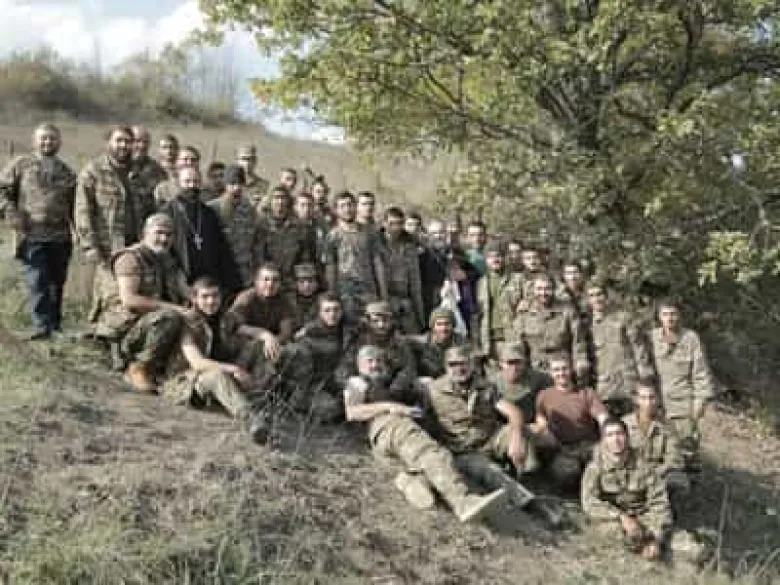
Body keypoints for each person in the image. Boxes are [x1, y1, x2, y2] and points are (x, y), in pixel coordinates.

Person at [344, 345, 506, 521]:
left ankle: (411, 482)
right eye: (370, 361)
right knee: (431, 453)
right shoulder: (357, 383)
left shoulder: (391, 382)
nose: (375, 365)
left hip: (391, 438)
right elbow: (352, 412)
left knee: (429, 462)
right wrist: (391, 407)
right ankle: (463, 502)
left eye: (379, 361)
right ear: (359, 365)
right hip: (390, 425)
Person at [422, 346, 539, 509]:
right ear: (445, 366)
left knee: (520, 432)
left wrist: (516, 439)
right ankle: (524, 501)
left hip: (490, 438)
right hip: (464, 449)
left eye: (463, 363)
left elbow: (514, 412)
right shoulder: (432, 390)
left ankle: (531, 480)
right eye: (453, 364)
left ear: (472, 364)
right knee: (489, 471)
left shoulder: (486, 386)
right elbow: (422, 418)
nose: (459, 368)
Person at [161, 277, 271, 444]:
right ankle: (250, 418)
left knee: (257, 345)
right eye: (205, 297)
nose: (211, 301)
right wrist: (233, 369)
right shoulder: (188, 322)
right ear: (195, 299)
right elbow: (197, 362)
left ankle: (258, 397)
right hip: (186, 381)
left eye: (215, 296)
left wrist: (267, 336)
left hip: (220, 375)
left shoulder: (225, 318)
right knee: (216, 374)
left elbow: (248, 330)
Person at [94, 213, 188, 392]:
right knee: (169, 316)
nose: (164, 239)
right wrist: (178, 309)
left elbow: (184, 289)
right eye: (159, 233)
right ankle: (138, 367)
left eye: (169, 235)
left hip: (148, 323)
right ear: (145, 233)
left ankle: (171, 369)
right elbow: (129, 300)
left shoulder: (167, 259)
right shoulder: (130, 258)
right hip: (124, 327)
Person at [0, 123, 77, 339]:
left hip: (61, 237)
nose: (48, 142)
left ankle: (55, 326)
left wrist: (80, 232)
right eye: (43, 138)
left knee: (56, 283)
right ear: (35, 141)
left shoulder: (67, 172)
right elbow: (2, 190)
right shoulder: (21, 164)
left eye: (52, 138)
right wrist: (10, 212)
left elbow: (76, 205)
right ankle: (41, 327)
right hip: (31, 235)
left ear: (59, 142)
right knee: (37, 280)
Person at [76, 125, 155, 328]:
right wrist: (89, 246)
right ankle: (98, 331)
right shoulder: (93, 171)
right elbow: (83, 212)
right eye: (119, 140)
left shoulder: (139, 174)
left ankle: (129, 333)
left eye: (128, 141)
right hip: (106, 246)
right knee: (108, 294)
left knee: (134, 292)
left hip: (136, 245)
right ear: (108, 142)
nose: (123, 145)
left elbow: (150, 209)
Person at [581, 418, 672, 560]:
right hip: (614, 521)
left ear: (627, 437)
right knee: (613, 533)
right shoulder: (595, 467)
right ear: (603, 440)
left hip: (644, 517)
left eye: (619, 434)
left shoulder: (644, 465)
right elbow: (589, 502)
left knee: (689, 547)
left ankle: (649, 546)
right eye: (610, 435)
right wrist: (621, 517)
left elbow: (660, 503)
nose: (616, 440)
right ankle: (636, 548)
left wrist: (656, 537)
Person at [650, 298, 714, 472]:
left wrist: (700, 401)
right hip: (656, 403)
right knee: (657, 448)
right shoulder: (652, 338)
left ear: (679, 316)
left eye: (673, 314)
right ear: (659, 317)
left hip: (682, 404)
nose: (669, 318)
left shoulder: (690, 338)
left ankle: (689, 483)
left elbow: (700, 372)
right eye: (665, 314)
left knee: (686, 449)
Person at [160, 167, 242, 295]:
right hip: (180, 281)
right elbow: (163, 250)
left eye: (196, 181)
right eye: (187, 181)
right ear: (178, 183)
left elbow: (221, 249)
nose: (192, 185)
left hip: (208, 282)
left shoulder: (208, 213)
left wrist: (233, 284)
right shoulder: (167, 212)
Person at [532, 353, 608, 488]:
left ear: (571, 369)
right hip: (562, 449)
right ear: (550, 373)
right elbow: (540, 417)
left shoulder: (586, 393)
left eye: (564, 368)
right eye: (556, 370)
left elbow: (603, 418)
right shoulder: (544, 396)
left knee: (605, 467)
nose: (561, 373)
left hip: (588, 445)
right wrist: (544, 431)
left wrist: (605, 442)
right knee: (565, 473)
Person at [324, 191, 388, 322]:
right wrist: (332, 295)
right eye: (342, 206)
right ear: (336, 210)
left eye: (350, 204)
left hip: (368, 291)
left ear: (355, 206)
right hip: (345, 294)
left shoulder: (370, 233)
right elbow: (330, 267)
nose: (347, 209)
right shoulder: (332, 236)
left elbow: (377, 263)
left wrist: (383, 294)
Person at [512, 273, 589, 379]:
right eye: (539, 289)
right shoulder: (524, 313)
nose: (543, 293)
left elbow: (578, 340)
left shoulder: (567, 311)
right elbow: (518, 344)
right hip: (535, 368)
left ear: (554, 289)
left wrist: (580, 362)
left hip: (562, 367)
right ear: (533, 290)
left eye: (547, 289)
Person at [623, 379, 689, 500]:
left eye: (651, 397)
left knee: (679, 481)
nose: (648, 403)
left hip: (659, 473)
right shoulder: (624, 424)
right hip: (631, 473)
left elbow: (675, 459)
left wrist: (655, 473)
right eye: (643, 398)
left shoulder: (667, 426)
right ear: (636, 399)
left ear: (658, 399)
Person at [586, 278, 644, 416]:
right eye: (592, 295)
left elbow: (639, 348)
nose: (596, 299)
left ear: (606, 296)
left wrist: (643, 378)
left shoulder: (624, 319)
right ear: (588, 300)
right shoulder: (586, 326)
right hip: (604, 388)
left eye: (599, 294)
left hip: (628, 384)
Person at [208, 165, 263, 288]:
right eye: (232, 184)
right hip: (221, 272)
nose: (236, 188)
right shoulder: (212, 209)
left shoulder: (250, 210)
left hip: (245, 274)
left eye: (240, 184)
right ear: (225, 185)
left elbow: (256, 244)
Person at [475, 241, 523, 366]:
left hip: (512, 338)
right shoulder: (481, 283)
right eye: (490, 257)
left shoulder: (518, 280)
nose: (495, 260)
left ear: (505, 257)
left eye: (498, 256)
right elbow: (477, 315)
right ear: (486, 260)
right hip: (489, 341)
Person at [259, 185, 316, 290]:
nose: (280, 202)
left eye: (283, 198)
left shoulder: (300, 227)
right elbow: (257, 257)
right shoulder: (261, 225)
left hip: (291, 284)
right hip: (268, 284)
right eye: (276, 197)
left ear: (288, 201)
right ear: (270, 201)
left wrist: (301, 282)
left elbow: (305, 258)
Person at [382, 206, 425, 334]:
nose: (396, 227)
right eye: (392, 223)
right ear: (384, 223)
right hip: (383, 301)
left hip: (405, 301)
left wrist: (420, 315)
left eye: (399, 223)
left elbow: (415, 281)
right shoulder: (375, 243)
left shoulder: (410, 244)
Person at [492, 342, 549, 425]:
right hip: (503, 427)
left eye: (517, 362)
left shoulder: (541, 379)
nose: (514, 367)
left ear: (524, 362)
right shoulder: (492, 384)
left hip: (534, 426)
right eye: (510, 362)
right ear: (501, 363)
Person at [410, 308, 467, 381]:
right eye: (439, 324)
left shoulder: (462, 343)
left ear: (453, 325)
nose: (443, 328)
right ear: (433, 327)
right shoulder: (420, 343)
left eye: (447, 324)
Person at [131, 126, 168, 210]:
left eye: (145, 142)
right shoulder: (118, 167)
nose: (142, 146)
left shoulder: (157, 170)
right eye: (137, 141)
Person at [287, 263, 321, 333]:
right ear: (296, 284)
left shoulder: (323, 300)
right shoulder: (288, 301)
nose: (306, 286)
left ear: (317, 283)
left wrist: (307, 328)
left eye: (311, 281)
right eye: (301, 282)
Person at [235, 144, 270, 210]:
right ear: (237, 161)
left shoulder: (264, 185)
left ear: (255, 161)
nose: (247, 163)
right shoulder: (229, 185)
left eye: (250, 159)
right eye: (243, 159)